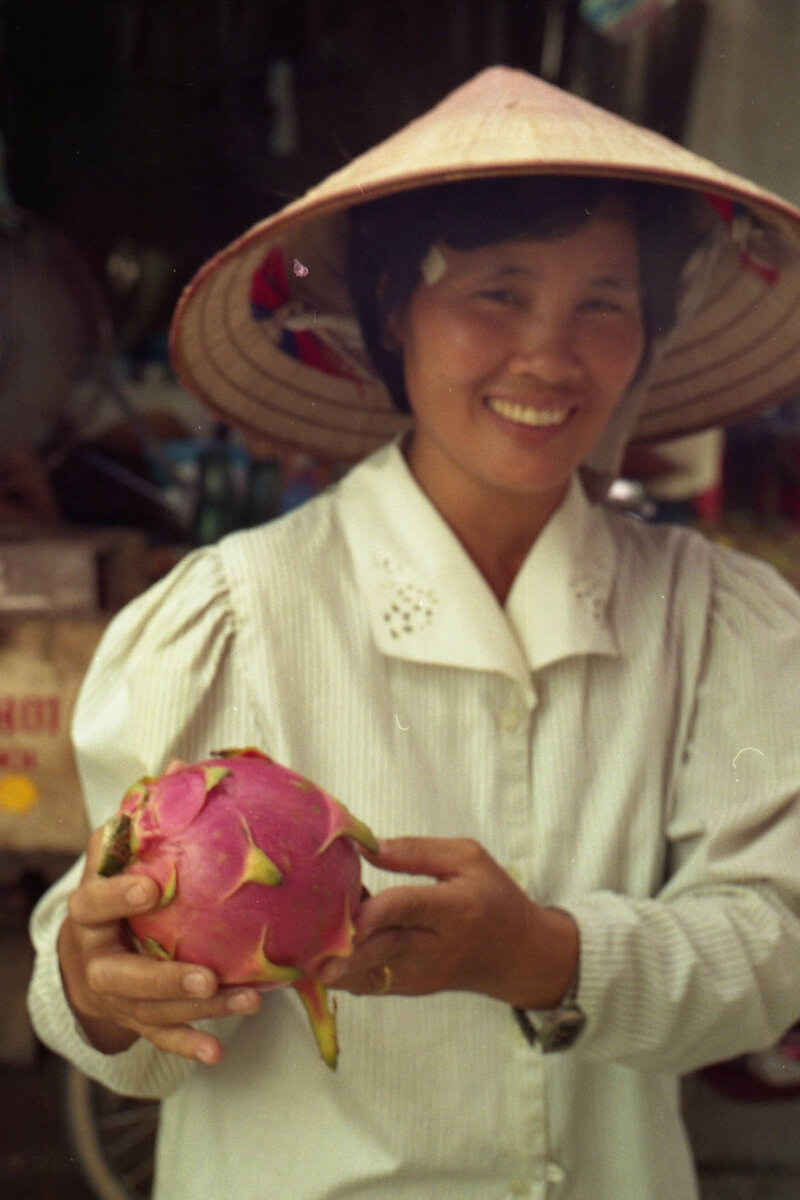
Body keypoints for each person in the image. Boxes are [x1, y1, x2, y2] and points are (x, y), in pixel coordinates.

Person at [27, 67, 800, 1199]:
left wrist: (544, 957)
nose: (548, 356)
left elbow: (774, 945)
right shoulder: (230, 615)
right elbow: (98, 962)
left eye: (603, 302)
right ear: (393, 309)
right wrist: (97, 982)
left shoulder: (715, 620)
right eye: (497, 291)